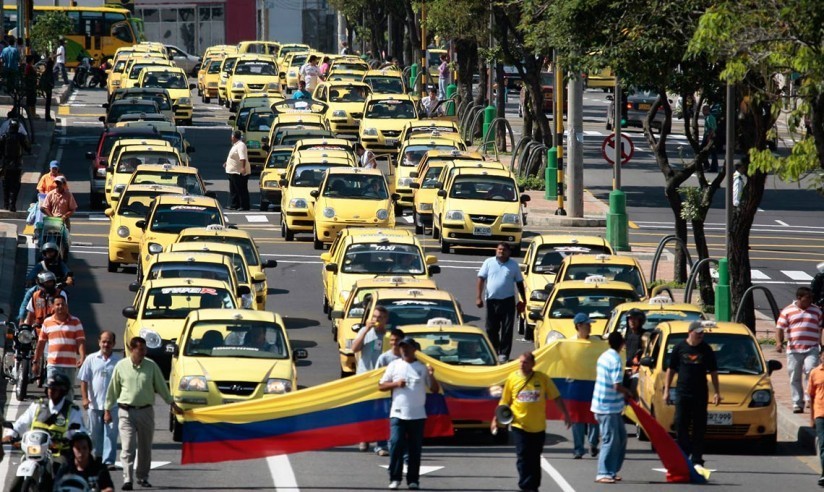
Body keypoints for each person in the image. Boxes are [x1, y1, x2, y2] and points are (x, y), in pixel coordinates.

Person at [105, 336, 184, 490]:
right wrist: (107, 410)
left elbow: (162, 387)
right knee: (127, 447)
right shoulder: (121, 366)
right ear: (132, 349)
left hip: (146, 411)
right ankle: (128, 479)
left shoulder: (151, 366)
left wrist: (173, 404)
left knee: (145, 447)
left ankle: (142, 477)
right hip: (126, 412)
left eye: (144, 349)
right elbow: (112, 390)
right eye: (140, 349)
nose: (143, 352)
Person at [491, 351, 570, 492]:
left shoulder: (542, 379)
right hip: (519, 425)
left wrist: (565, 414)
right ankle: (525, 486)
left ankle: (534, 486)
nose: (522, 365)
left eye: (525, 362)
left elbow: (556, 397)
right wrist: (495, 419)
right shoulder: (512, 378)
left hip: (538, 427)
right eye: (520, 362)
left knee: (534, 458)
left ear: (533, 364)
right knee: (523, 457)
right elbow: (505, 400)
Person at [2, 374, 85, 491]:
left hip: (58, 453)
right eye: (49, 388)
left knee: (62, 476)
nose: (51, 391)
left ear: (63, 391)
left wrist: (73, 438)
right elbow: (21, 423)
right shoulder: (38, 405)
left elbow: (80, 430)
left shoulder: (72, 411)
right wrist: (11, 434)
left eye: (55, 389)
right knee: (17, 478)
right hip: (35, 450)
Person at [378, 337, 440, 490]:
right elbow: (381, 385)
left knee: (414, 449)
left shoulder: (422, 367)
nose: (404, 350)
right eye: (402, 347)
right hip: (397, 413)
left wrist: (431, 375)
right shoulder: (394, 365)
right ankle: (395, 478)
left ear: (414, 350)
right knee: (396, 444)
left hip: (417, 415)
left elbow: (434, 389)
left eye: (407, 347)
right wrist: (395, 384)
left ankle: (413, 480)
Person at [664, 321, 721, 467]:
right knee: (680, 423)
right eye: (698, 333)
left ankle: (697, 458)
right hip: (683, 392)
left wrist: (717, 392)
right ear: (690, 332)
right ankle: (683, 454)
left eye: (702, 333)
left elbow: (713, 371)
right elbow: (671, 370)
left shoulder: (706, 349)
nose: (701, 335)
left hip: (700, 392)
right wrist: (666, 391)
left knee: (699, 426)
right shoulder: (680, 348)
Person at [591, 331, 633, 483]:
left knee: (621, 438)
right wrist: (627, 392)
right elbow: (616, 385)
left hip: (609, 405)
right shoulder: (615, 360)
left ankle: (612, 470)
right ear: (622, 344)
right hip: (606, 407)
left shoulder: (604, 356)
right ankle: (603, 473)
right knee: (609, 439)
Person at [78, 331, 122, 469]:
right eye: (103, 341)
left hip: (113, 405)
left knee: (111, 434)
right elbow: (84, 380)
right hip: (94, 404)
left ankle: (109, 461)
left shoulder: (119, 361)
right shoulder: (91, 359)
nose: (106, 344)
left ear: (114, 344)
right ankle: (97, 458)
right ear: (99, 342)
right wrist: (85, 399)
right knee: (94, 434)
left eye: (109, 342)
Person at [776, 286, 824, 413]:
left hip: (812, 348)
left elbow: (820, 328)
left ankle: (810, 399)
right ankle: (797, 402)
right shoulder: (787, 311)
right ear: (799, 298)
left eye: (811, 298)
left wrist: (821, 344)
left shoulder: (816, 311)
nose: (810, 301)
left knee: (811, 371)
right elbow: (780, 328)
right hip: (794, 350)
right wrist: (779, 342)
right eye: (807, 298)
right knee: (794, 376)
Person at [476, 242, 526, 363]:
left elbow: (519, 283)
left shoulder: (513, 265)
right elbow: (481, 279)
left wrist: (523, 300)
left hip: (508, 301)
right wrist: (478, 297)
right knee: (491, 329)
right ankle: (494, 350)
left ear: (509, 252)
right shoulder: (488, 262)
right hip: (492, 301)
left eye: (503, 250)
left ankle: (504, 354)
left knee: (507, 329)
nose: (501, 251)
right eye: (499, 249)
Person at [353, 306, 391, 455]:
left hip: (381, 379)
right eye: (375, 317)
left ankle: (381, 444)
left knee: (381, 412)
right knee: (364, 411)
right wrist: (365, 332)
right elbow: (355, 349)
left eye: (380, 317)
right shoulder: (364, 331)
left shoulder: (388, 336)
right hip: (364, 377)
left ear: (386, 320)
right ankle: (364, 438)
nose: (376, 320)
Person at [33, 295, 86, 392]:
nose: (60, 307)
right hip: (53, 365)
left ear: (67, 306)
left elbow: (80, 341)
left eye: (63, 304)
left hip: (69, 366)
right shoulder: (47, 322)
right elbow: (41, 344)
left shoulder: (76, 322)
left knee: (68, 392)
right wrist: (35, 362)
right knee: (53, 392)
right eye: (58, 304)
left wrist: (82, 357)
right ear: (53, 307)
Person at [571, 313, 600, 459]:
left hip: (593, 384)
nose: (590, 327)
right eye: (587, 324)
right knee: (577, 418)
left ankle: (593, 444)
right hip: (576, 385)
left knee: (593, 416)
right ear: (578, 326)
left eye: (590, 324)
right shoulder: (569, 343)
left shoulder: (596, 342)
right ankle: (578, 448)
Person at [1, 119, 31, 211]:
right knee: (16, 184)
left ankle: (6, 203)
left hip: (6, 164)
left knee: (6, 184)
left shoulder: (4, 137)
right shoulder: (20, 137)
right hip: (17, 164)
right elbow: (28, 148)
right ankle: (12, 204)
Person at [808, 351, 824, 487]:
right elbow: (811, 396)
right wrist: (811, 418)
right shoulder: (815, 373)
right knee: (823, 445)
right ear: (820, 356)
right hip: (820, 414)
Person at [224, 130, 250, 210]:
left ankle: (244, 205)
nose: (231, 137)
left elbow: (242, 158)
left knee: (241, 189)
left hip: (238, 172)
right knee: (234, 189)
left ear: (234, 137)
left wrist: (243, 168)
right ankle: (234, 205)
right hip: (232, 171)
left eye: (232, 136)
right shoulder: (235, 145)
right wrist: (226, 163)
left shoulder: (241, 145)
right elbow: (233, 156)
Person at [623, 308, 646, 399]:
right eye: (630, 319)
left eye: (635, 319)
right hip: (624, 369)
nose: (632, 321)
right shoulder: (626, 335)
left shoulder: (645, 336)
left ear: (640, 321)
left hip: (637, 371)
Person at [701, 105, 719, 172]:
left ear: (707, 110)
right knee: (711, 152)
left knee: (704, 151)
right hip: (709, 136)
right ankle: (709, 166)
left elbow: (712, 129)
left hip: (709, 136)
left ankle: (709, 166)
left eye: (704, 110)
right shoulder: (708, 117)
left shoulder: (709, 118)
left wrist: (709, 138)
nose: (703, 112)